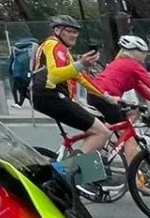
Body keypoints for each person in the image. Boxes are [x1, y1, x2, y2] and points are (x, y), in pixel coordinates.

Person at [87, 34, 150, 168]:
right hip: (106, 98)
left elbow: (142, 89)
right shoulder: (132, 65)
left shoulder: (121, 62)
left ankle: (106, 143)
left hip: (97, 95)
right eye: (143, 53)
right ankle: (134, 173)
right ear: (135, 53)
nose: (144, 56)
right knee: (130, 138)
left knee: (131, 113)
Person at [30, 14, 112, 158]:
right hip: (51, 96)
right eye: (69, 31)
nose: (74, 35)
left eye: (75, 32)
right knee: (102, 132)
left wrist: (106, 97)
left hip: (46, 96)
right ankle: (73, 168)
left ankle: (78, 164)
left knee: (95, 125)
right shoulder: (54, 45)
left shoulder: (61, 49)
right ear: (57, 31)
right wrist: (81, 64)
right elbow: (54, 76)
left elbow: (80, 77)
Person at [9, 37, 35, 106]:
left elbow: (27, 66)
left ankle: (20, 103)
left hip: (22, 75)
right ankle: (18, 103)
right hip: (17, 75)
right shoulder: (17, 56)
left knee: (23, 89)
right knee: (18, 89)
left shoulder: (24, 55)